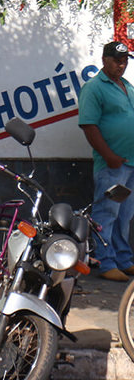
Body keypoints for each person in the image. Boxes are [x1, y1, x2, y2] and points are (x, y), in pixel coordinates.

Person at [78, 41, 134, 282]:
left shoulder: (127, 86)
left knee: (124, 214)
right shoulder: (94, 88)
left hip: (130, 163)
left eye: (125, 61)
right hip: (112, 165)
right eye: (116, 60)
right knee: (107, 212)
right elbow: (89, 126)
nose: (121, 65)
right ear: (104, 59)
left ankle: (123, 259)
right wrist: (109, 155)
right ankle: (105, 261)